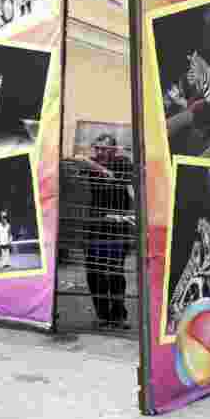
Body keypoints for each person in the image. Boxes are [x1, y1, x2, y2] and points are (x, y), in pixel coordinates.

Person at [73, 133, 135, 329]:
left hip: (117, 229)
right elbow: (76, 160)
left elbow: (122, 173)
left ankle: (118, 316)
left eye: (104, 149)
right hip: (95, 228)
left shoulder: (122, 163)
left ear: (114, 150)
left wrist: (99, 167)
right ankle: (102, 315)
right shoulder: (90, 165)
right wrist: (94, 166)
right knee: (94, 272)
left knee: (115, 271)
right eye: (97, 148)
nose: (100, 152)